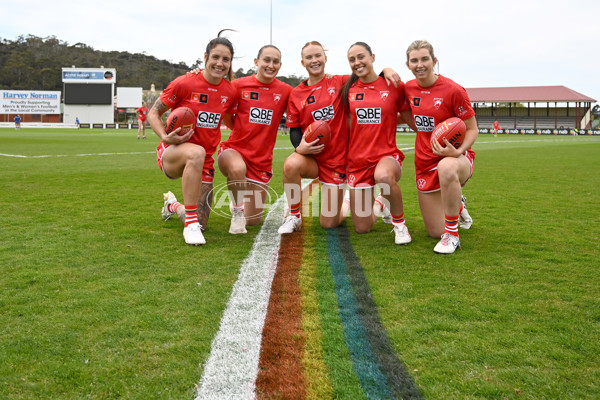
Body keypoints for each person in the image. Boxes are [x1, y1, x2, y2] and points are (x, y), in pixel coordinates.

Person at [278, 41, 403, 234]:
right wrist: (299, 147)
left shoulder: (341, 82)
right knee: (291, 164)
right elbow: (294, 128)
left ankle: (378, 202)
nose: (314, 60)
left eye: (318, 55)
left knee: (329, 223)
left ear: (325, 58)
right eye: (309, 57)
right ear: (302, 62)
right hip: (315, 160)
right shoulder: (297, 94)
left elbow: (367, 75)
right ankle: (294, 216)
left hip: (339, 162)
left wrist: (385, 70)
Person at [148, 30, 236, 245]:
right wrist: (165, 137)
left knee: (202, 222)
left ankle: (174, 206)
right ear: (205, 57)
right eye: (215, 57)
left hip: (204, 161)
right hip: (173, 153)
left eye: (226, 59)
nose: (220, 63)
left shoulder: (229, 92)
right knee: (196, 152)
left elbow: (232, 120)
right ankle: (189, 226)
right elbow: (153, 113)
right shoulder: (184, 83)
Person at [400, 40, 477, 254]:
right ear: (408, 64)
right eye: (414, 60)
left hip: (455, 158)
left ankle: (452, 236)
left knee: (446, 168)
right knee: (434, 231)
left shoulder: (453, 90)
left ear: (434, 61)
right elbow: (403, 111)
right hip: (424, 161)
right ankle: (458, 204)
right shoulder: (407, 88)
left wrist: (458, 151)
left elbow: (472, 129)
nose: (420, 64)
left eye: (425, 59)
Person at [340, 42, 413, 245]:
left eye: (361, 57)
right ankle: (381, 202)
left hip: (386, 156)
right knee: (362, 228)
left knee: (383, 177)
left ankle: (399, 226)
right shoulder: (348, 89)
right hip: (358, 161)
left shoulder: (393, 86)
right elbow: (346, 126)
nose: (357, 62)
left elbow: (412, 121)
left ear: (372, 57)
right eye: (352, 59)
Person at [217, 45, 292, 234]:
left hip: (261, 161)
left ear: (280, 65)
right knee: (237, 168)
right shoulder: (238, 85)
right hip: (234, 151)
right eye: (266, 60)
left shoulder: (285, 91)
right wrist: (241, 131)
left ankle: (175, 205)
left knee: (253, 221)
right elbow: (226, 114)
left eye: (275, 62)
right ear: (256, 62)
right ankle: (237, 212)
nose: (270, 65)